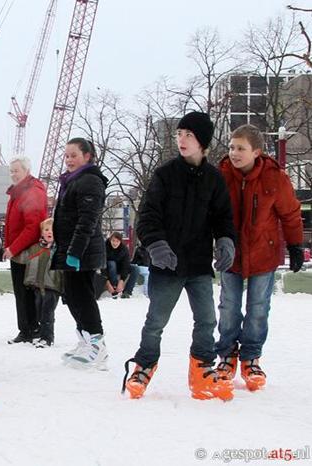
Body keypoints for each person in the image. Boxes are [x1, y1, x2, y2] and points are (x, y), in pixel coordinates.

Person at [123, 111, 237, 401]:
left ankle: (202, 371)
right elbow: (147, 217)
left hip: (198, 264)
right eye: (179, 133)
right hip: (167, 264)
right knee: (156, 322)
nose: (181, 139)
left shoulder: (214, 178)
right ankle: (144, 365)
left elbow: (223, 217)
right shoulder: (165, 174)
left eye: (188, 134)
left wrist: (225, 241)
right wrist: (157, 245)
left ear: (203, 142)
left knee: (207, 320)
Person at [215, 124, 304, 392]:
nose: (234, 153)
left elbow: (290, 213)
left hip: (263, 253)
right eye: (231, 147)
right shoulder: (221, 176)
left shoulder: (274, 177)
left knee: (258, 309)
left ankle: (251, 357)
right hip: (230, 254)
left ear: (256, 151)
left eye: (241, 148)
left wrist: (296, 244)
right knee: (228, 307)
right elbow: (209, 212)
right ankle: (227, 355)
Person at [52, 138, 108, 370]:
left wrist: (75, 252)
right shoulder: (72, 181)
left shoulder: (90, 181)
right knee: (72, 296)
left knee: (83, 297)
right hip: (69, 248)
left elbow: (87, 221)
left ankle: (97, 344)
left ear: (87, 156)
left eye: (73, 155)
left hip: (82, 251)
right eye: (66, 156)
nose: (69, 160)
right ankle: (85, 339)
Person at [3, 155, 47, 344]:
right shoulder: (19, 192)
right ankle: (28, 327)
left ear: (26, 171)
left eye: (16, 170)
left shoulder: (32, 192)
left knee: (26, 291)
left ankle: (30, 329)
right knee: (23, 291)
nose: (13, 174)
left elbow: (33, 226)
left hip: (26, 252)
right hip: (20, 250)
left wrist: (13, 248)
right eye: (11, 171)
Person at [23, 218, 63, 348]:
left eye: (52, 229)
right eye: (46, 229)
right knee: (39, 311)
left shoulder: (58, 248)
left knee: (47, 312)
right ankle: (42, 334)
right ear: (42, 233)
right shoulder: (36, 248)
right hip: (39, 285)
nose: (49, 232)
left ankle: (47, 338)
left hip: (52, 285)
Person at [104, 232, 131, 298]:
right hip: (108, 268)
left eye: (117, 241)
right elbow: (102, 264)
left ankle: (127, 291)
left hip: (120, 268)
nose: (115, 243)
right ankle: (114, 288)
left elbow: (126, 264)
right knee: (112, 263)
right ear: (110, 240)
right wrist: (106, 280)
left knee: (136, 269)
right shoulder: (104, 247)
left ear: (120, 241)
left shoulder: (124, 249)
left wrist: (122, 280)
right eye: (113, 240)